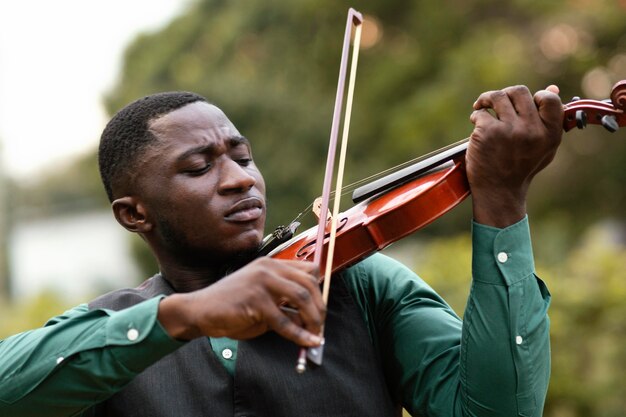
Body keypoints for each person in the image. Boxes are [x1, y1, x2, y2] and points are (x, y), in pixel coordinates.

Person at [0, 84, 562, 417]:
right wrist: (185, 315)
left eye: (242, 158)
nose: (239, 180)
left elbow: (499, 411)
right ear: (134, 214)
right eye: (199, 167)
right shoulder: (115, 330)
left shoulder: (362, 286)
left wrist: (503, 201)